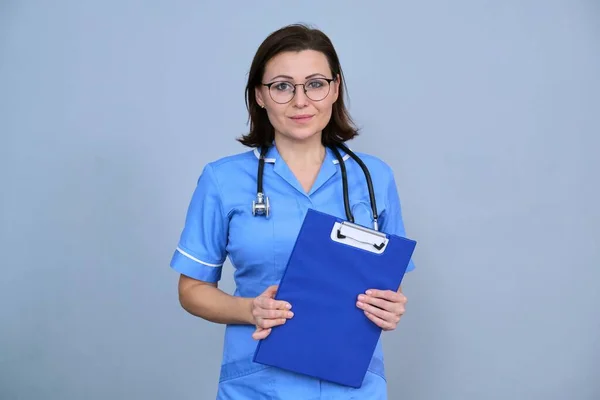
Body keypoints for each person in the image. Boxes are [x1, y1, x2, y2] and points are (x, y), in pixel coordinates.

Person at [169, 23, 416, 400]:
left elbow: (390, 281)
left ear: (334, 89)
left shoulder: (374, 177)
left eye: (315, 84)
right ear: (260, 96)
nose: (301, 101)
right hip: (257, 384)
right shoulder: (222, 180)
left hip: (353, 384)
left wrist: (390, 305)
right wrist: (249, 309)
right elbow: (191, 290)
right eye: (282, 86)